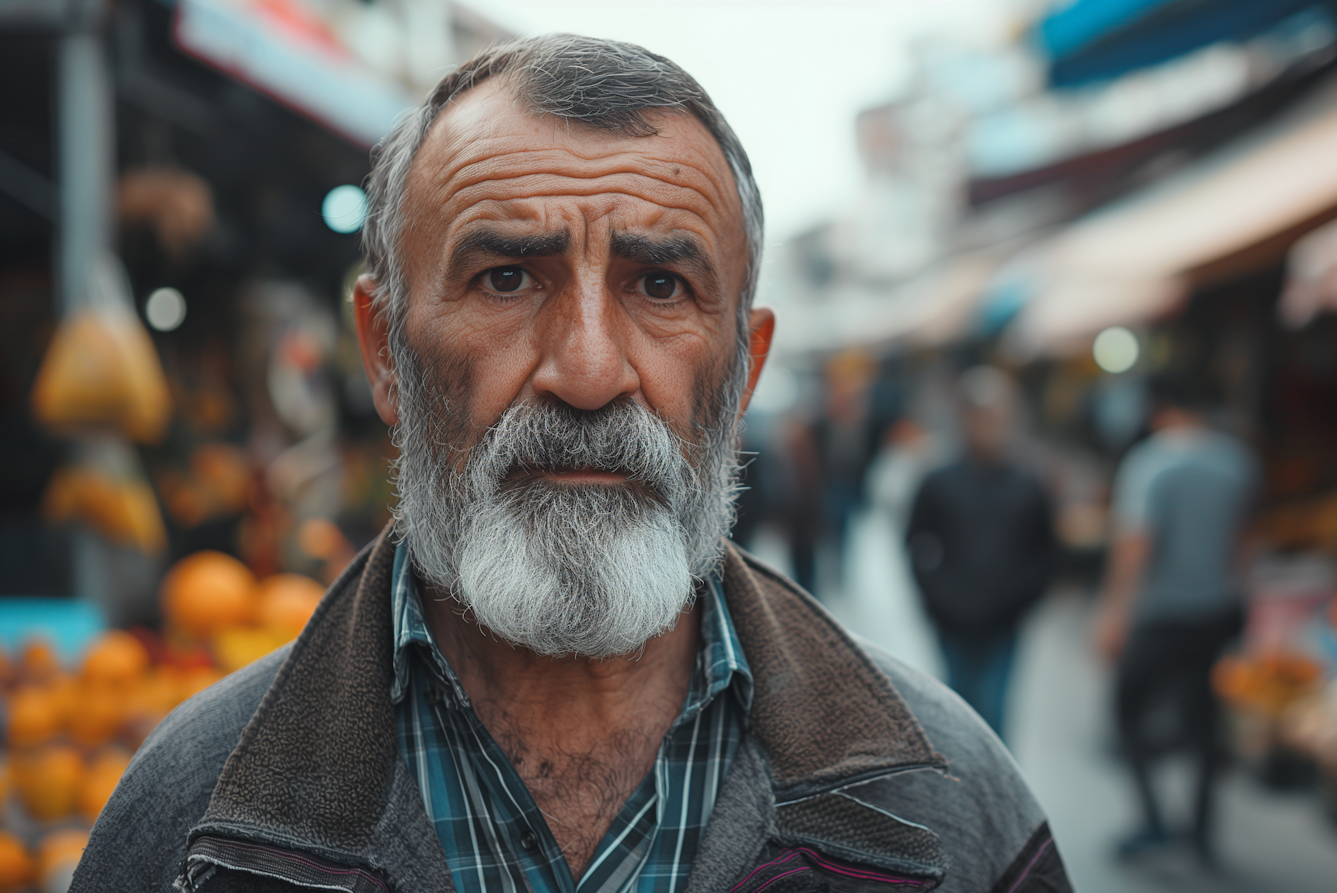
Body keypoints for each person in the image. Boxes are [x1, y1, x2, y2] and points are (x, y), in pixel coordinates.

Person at [74, 35, 1071, 893]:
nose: (589, 372)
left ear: (746, 367)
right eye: (506, 277)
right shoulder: (188, 817)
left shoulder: (952, 805)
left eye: (661, 285)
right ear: (385, 352)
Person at [1093, 374, 1257, 867]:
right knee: (1204, 722)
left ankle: (1152, 821)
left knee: (1127, 714)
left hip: (1160, 616)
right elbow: (1241, 544)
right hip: (1216, 612)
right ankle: (1202, 832)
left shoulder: (1150, 464)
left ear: (1159, 411)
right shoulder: (1237, 462)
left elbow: (1136, 546)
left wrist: (1113, 614)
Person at [906, 367, 1056, 740]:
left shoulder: (1028, 481)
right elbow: (914, 541)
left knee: (994, 712)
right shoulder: (939, 479)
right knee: (958, 710)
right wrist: (936, 596)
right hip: (952, 618)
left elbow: (1047, 549)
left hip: (1003, 620)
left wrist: (1022, 597)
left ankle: (997, 795)